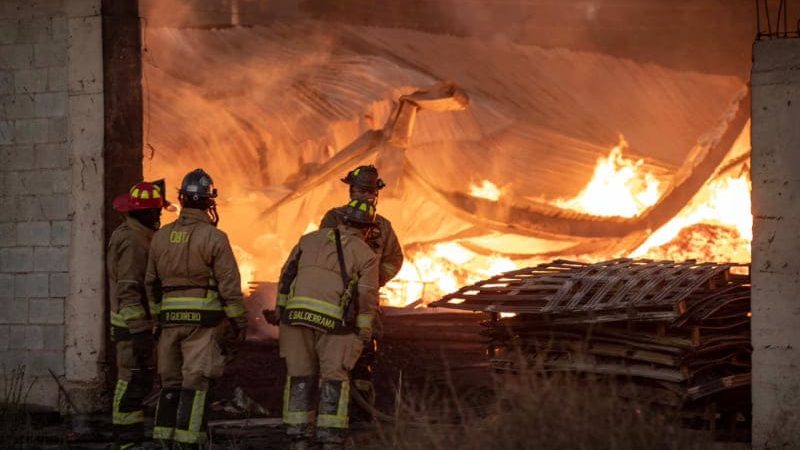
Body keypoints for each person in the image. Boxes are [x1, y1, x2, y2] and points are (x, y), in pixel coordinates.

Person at [145, 169, 248, 449]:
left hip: (168, 322)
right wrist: (239, 322)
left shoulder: (160, 237)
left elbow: (150, 283)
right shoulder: (215, 238)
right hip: (203, 324)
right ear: (208, 202)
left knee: (170, 383)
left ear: (181, 199)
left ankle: (164, 441)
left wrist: (157, 319)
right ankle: (189, 444)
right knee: (195, 383)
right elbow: (229, 286)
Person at [277, 199, 380, 450]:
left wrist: (282, 310)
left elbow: (286, 274)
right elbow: (366, 296)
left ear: (343, 219)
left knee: (300, 374)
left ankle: (298, 438)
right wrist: (364, 330)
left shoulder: (309, 239)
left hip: (296, 317)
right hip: (333, 323)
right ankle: (330, 440)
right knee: (334, 377)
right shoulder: (366, 254)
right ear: (367, 229)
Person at [319, 165, 403, 417]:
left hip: (366, 302)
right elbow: (321, 253)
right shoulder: (333, 218)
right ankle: (332, 412)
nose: (366, 195)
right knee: (333, 358)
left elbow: (394, 258)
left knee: (364, 357)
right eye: (361, 190)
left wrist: (375, 279)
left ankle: (361, 414)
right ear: (350, 190)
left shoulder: (383, 226)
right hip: (334, 300)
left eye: (370, 190)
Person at [107, 180, 171, 449]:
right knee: (131, 380)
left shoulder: (139, 234)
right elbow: (130, 290)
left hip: (138, 326)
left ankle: (130, 438)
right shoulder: (133, 241)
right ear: (141, 212)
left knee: (138, 379)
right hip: (133, 328)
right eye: (155, 212)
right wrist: (139, 330)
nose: (159, 216)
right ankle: (127, 441)